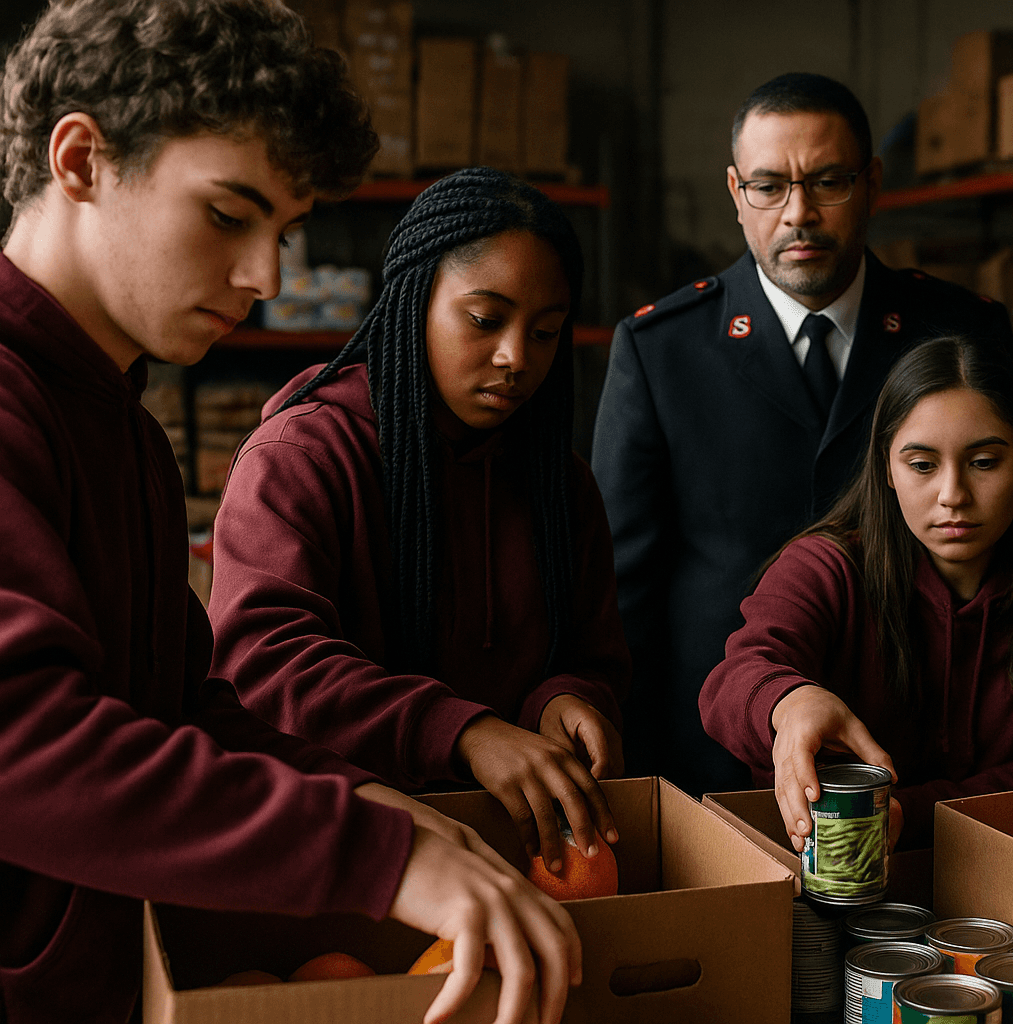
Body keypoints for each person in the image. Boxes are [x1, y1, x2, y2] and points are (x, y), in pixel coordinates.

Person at [0, 5, 579, 1024]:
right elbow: (23, 739)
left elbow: (182, 704)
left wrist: (349, 791)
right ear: (83, 159)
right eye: (229, 215)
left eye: (282, 233)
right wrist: (372, 852)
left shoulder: (122, 424)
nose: (266, 279)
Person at [592, 72, 1013, 795]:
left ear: (873, 182)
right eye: (769, 186)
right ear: (735, 192)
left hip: (907, 753)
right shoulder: (663, 349)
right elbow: (615, 585)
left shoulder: (957, 331)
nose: (799, 213)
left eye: (828, 181)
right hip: (715, 754)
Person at [208, 167, 630, 874]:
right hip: (341, 852)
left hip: (522, 851)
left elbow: (593, 655)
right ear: (412, 303)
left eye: (547, 331)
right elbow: (263, 664)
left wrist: (569, 699)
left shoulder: (562, 485)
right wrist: (462, 732)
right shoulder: (301, 457)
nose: (516, 358)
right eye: (484, 320)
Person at [700, 335, 1013, 850]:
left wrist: (907, 813)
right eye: (922, 464)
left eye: (983, 462)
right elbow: (733, 678)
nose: (952, 494)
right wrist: (789, 702)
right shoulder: (826, 569)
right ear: (886, 468)